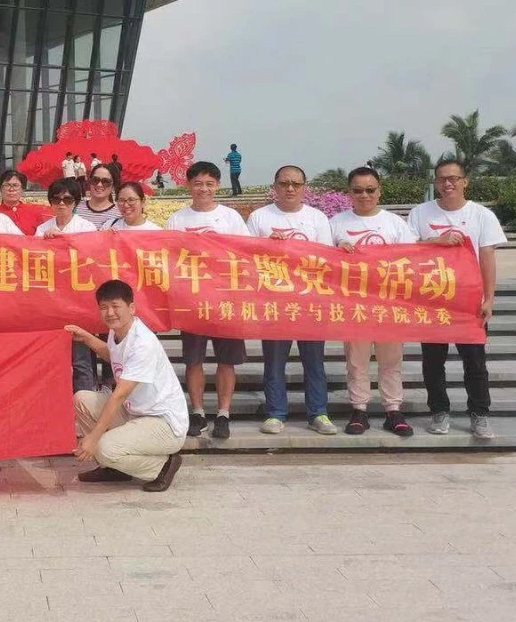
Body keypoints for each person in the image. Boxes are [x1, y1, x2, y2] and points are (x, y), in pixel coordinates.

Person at [408, 158, 505, 439]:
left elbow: (487, 258)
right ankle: (439, 411)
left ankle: (480, 414)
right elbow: (407, 247)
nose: (447, 183)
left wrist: (489, 298)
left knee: (475, 362)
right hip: (432, 299)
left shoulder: (481, 215)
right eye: (442, 179)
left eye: (453, 178)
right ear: (435, 182)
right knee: (433, 362)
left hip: (468, 301)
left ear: (465, 182)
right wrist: (436, 241)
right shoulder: (420, 213)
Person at [67, 280, 188, 491]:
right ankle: (114, 467)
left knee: (103, 447)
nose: (110, 313)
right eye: (104, 307)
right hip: (135, 412)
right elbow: (113, 355)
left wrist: (93, 438)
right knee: (81, 400)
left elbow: (119, 395)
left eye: (116, 306)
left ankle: (162, 467)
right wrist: (86, 338)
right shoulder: (118, 332)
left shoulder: (142, 343)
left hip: (163, 424)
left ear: (131, 308)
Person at [245, 166, 338, 437]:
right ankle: (275, 413)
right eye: (284, 183)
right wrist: (266, 244)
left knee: (314, 362)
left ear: (304, 187)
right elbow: (246, 257)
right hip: (275, 302)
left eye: (296, 184)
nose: (290, 188)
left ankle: (318, 413)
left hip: (310, 302)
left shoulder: (317, 218)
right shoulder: (259, 217)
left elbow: (326, 257)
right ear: (274, 186)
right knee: (274, 362)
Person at [329, 166, 419, 437]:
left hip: (388, 304)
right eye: (358, 190)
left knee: (390, 361)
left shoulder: (395, 223)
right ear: (349, 193)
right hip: (353, 304)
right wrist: (336, 251)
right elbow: (320, 259)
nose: (364, 195)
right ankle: (359, 410)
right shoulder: (336, 223)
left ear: (380, 191)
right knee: (356, 361)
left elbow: (413, 259)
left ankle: (393, 410)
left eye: (370, 190)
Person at [165, 161, 249, 439]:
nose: (204, 189)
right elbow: (167, 257)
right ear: (189, 185)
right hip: (192, 302)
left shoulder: (231, 218)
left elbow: (248, 253)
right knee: (193, 360)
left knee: (227, 360)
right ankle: (198, 412)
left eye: (209, 184)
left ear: (218, 186)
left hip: (226, 300)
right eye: (198, 183)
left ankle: (223, 414)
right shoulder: (177, 219)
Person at [0, 169, 52, 235]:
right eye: (7, 185)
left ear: (22, 189)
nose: (11, 189)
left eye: (15, 185)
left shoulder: (34, 213)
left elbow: (42, 236)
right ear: (0, 189)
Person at [74, 164, 121, 228]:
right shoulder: (75, 208)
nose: (99, 185)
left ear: (113, 186)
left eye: (105, 181)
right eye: (95, 180)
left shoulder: (120, 213)